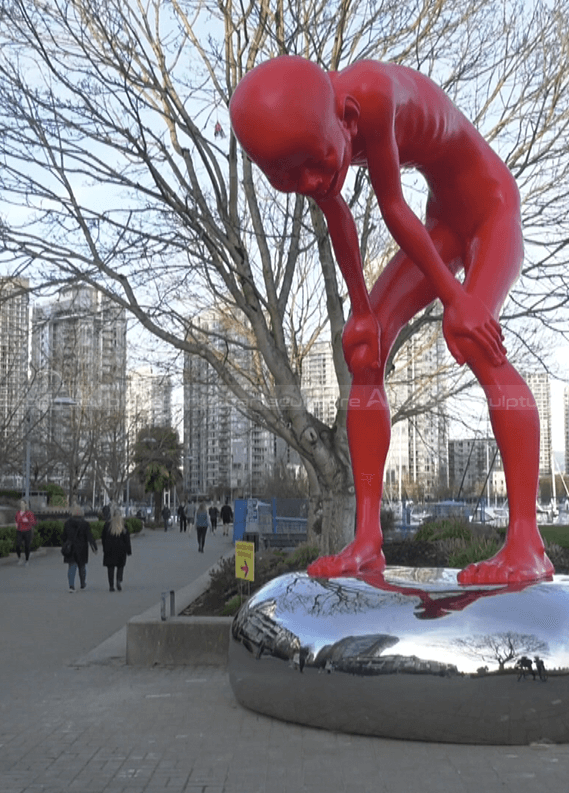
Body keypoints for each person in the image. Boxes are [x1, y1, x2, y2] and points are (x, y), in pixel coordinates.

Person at [230, 56, 552, 586]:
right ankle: (366, 541)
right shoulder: (323, 132)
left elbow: (393, 208)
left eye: (314, 163)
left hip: (493, 211)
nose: (310, 181)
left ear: (347, 118)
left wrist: (458, 298)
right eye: (287, 178)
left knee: (471, 334)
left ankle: (527, 542)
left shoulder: (371, 96)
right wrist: (360, 311)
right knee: (365, 351)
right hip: (444, 224)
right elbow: (334, 211)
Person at [61, 505, 98, 591]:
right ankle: (82, 583)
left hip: (71, 547)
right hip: (82, 548)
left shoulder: (67, 523)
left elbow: (63, 536)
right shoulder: (85, 524)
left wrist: (64, 544)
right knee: (82, 566)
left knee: (71, 567)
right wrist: (94, 547)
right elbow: (89, 536)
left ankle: (71, 585)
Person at [101, 506, 132, 592]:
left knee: (110, 568)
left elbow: (103, 538)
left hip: (109, 549)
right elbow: (127, 539)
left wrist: (104, 548)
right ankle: (118, 580)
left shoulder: (107, 525)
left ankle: (111, 585)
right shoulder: (123, 526)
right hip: (121, 549)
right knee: (120, 566)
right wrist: (128, 550)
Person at [15, 499, 37, 566]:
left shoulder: (29, 513)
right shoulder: (18, 513)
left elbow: (34, 522)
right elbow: (16, 520)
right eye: (20, 504)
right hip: (19, 531)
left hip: (27, 531)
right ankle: (19, 558)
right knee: (17, 545)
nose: (21, 505)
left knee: (27, 546)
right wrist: (16, 525)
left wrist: (27, 521)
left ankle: (27, 560)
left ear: (25, 505)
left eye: (23, 504)